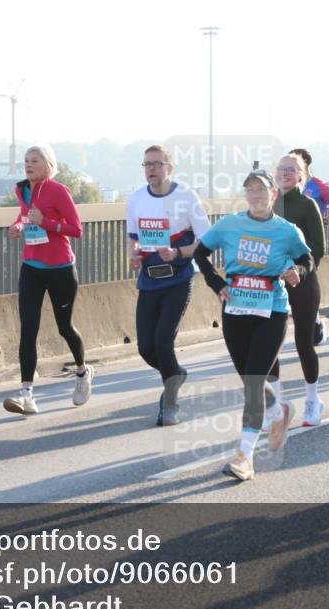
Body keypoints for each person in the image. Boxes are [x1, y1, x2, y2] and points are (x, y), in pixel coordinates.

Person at [193, 169, 312, 481]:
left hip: (271, 310)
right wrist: (216, 282)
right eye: (250, 190)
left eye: (262, 189)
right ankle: (277, 413)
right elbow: (200, 253)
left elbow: (307, 259)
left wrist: (297, 270)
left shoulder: (287, 231)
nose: (256, 195)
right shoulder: (230, 224)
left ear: (273, 195)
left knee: (254, 382)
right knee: (249, 378)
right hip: (235, 308)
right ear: (245, 195)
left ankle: (245, 456)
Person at [125, 145, 211, 426]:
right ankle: (175, 374)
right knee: (145, 348)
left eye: (157, 164)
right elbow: (132, 237)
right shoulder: (137, 199)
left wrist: (179, 253)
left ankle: (171, 401)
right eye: (147, 164)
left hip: (179, 278)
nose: (151, 169)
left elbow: (206, 240)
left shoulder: (186, 196)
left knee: (163, 342)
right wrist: (133, 255)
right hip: (149, 279)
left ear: (169, 168)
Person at [3, 145, 91, 416]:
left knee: (65, 327)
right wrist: (18, 226)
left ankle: (82, 371)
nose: (28, 165)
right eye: (26, 161)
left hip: (60, 268)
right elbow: (25, 215)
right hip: (31, 267)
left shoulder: (58, 191)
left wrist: (47, 222)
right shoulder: (22, 190)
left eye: (35, 161)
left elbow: (77, 229)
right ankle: (27, 394)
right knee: (28, 329)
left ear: (48, 165)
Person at [268, 153, 327, 426]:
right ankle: (275, 407)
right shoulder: (267, 204)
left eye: (291, 170)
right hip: (272, 283)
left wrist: (298, 270)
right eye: (281, 169)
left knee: (304, 343)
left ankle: (313, 401)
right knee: (269, 346)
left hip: (302, 280)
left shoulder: (307, 205)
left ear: (301, 175)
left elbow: (317, 249)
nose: (285, 174)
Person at [290, 147, 329, 346]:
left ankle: (315, 322)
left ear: (304, 165)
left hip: (311, 246)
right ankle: (311, 321)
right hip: (288, 244)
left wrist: (325, 222)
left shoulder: (318, 185)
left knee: (306, 284)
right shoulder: (286, 186)